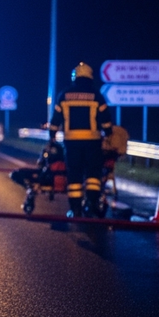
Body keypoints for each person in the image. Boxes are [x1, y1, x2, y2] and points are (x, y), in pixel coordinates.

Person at [49, 62, 112, 217]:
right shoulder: (96, 95)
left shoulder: (64, 95)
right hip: (93, 142)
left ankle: (75, 209)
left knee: (74, 175)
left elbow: (56, 119)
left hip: (71, 143)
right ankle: (92, 204)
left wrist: (52, 135)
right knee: (93, 174)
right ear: (90, 77)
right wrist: (108, 133)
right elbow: (105, 119)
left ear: (75, 77)